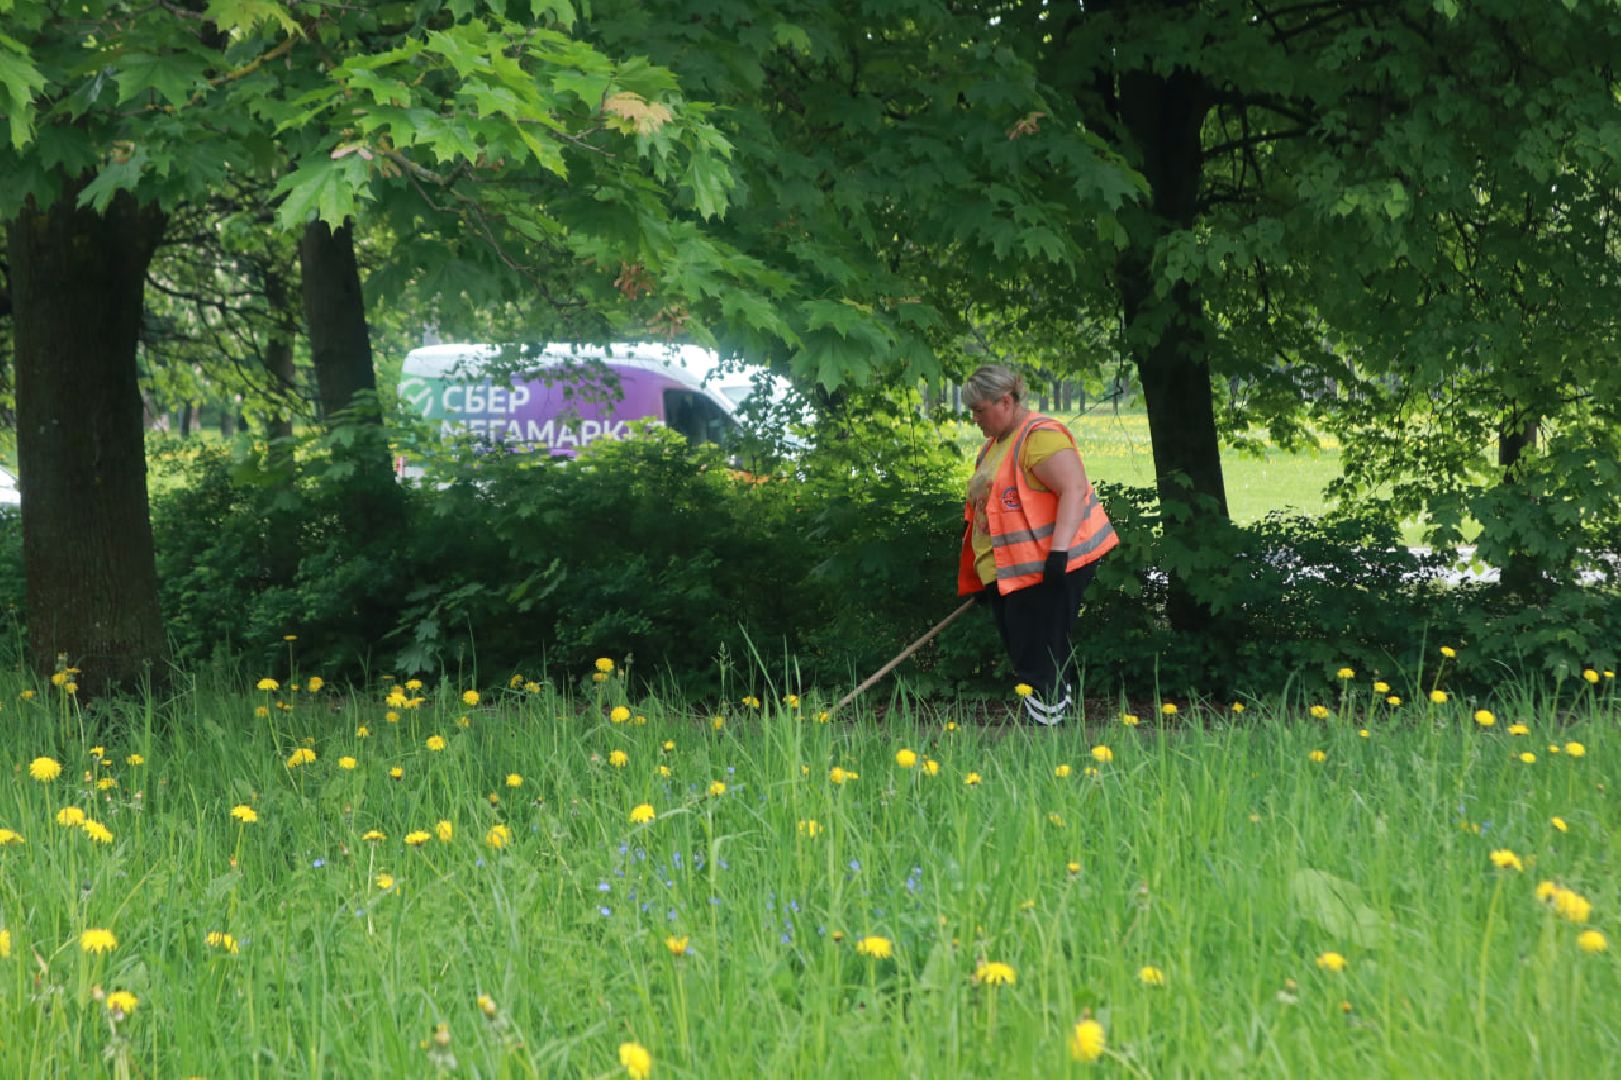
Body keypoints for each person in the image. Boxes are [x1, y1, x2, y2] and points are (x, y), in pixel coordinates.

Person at [956, 364, 1117, 724]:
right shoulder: (994, 446)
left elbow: (1073, 490)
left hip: (1047, 568)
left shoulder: (1040, 437)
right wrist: (986, 576)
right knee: (1032, 654)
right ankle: (1054, 727)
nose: (975, 419)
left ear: (1006, 401)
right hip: (1013, 572)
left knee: (1039, 657)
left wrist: (1058, 555)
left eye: (979, 410)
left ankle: (1045, 737)